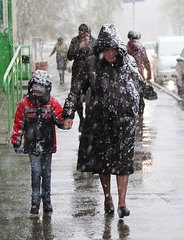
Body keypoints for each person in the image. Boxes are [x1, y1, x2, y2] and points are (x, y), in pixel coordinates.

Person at [63, 24, 144, 218]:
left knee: (123, 163)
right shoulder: (90, 64)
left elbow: (139, 83)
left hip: (123, 122)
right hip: (99, 121)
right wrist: (68, 113)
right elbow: (76, 90)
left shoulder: (127, 62)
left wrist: (137, 103)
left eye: (113, 49)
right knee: (104, 163)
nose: (111, 53)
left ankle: (122, 203)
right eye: (107, 49)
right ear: (100, 48)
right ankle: (108, 198)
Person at [11, 70, 68, 215]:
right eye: (35, 90)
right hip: (31, 146)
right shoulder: (24, 104)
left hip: (47, 145)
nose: (37, 94)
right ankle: (35, 203)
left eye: (41, 90)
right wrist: (16, 142)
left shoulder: (52, 104)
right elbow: (19, 124)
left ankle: (47, 202)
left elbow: (61, 120)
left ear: (47, 90)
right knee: (36, 172)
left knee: (46, 173)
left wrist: (67, 116)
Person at [67, 23, 96, 132]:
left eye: (84, 31)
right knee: (78, 99)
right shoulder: (75, 40)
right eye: (80, 31)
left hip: (91, 74)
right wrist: (79, 47)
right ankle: (81, 118)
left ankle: (88, 119)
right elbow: (69, 56)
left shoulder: (94, 41)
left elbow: (98, 55)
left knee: (90, 99)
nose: (82, 33)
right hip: (78, 73)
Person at [127, 30, 152, 116]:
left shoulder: (125, 48)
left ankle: (132, 115)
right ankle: (140, 115)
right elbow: (147, 63)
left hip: (129, 77)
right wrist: (148, 76)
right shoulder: (141, 48)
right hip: (140, 76)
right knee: (140, 97)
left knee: (129, 96)